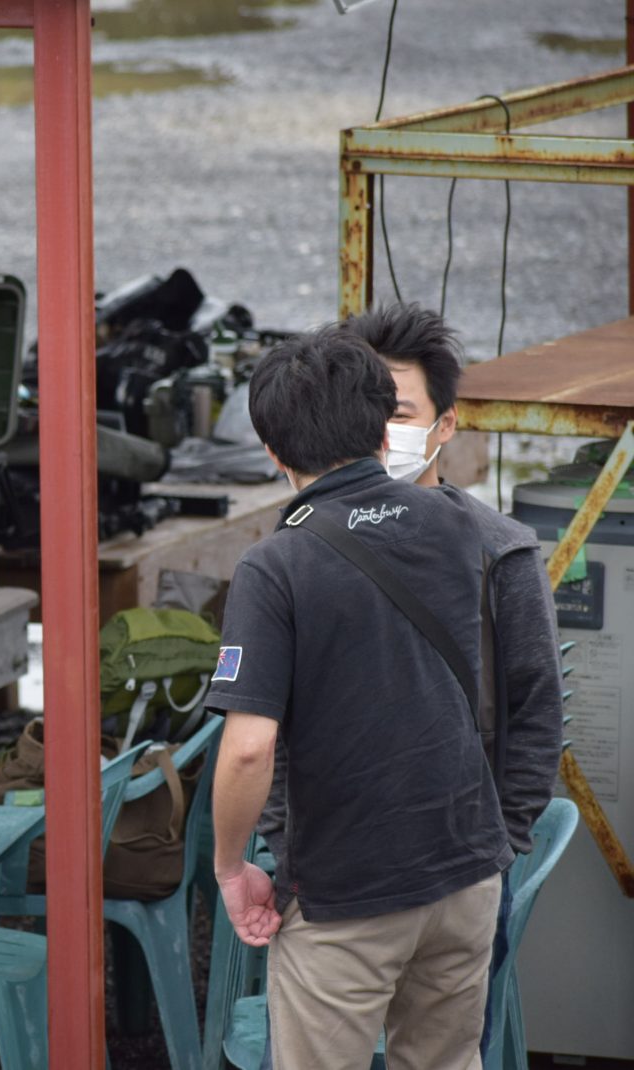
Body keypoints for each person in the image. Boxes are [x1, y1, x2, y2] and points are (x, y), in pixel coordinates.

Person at [208, 328, 557, 1070]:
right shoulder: (468, 530)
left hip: (348, 893)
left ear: (272, 451)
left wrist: (231, 866)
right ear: (380, 429)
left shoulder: (276, 566)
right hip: (466, 877)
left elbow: (247, 749)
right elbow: (528, 702)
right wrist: (501, 842)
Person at [342, 303, 565, 1054]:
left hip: (461, 873)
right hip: (338, 873)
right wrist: (286, 839)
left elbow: (536, 710)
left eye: (399, 412)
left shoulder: (502, 553)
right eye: (363, 410)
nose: (380, 432)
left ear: (445, 425)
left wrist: (500, 845)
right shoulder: (305, 549)